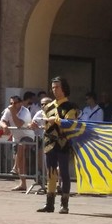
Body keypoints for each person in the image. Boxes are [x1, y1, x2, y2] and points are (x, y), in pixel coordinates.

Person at [34, 76, 79, 214]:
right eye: (53, 87)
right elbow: (46, 124)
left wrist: (57, 120)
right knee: (50, 173)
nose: (54, 90)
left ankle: (64, 204)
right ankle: (49, 203)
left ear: (64, 88)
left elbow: (71, 124)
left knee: (64, 173)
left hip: (63, 142)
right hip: (49, 142)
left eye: (57, 87)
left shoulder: (71, 107)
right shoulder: (48, 106)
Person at [0, 95, 34, 191]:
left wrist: (13, 112)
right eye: (11, 103)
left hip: (27, 136)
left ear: (20, 103)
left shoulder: (25, 111)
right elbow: (1, 121)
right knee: (20, 161)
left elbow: (19, 124)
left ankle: (14, 167)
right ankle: (23, 184)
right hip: (16, 137)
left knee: (21, 148)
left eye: (15, 103)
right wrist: (4, 126)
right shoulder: (8, 110)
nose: (12, 105)